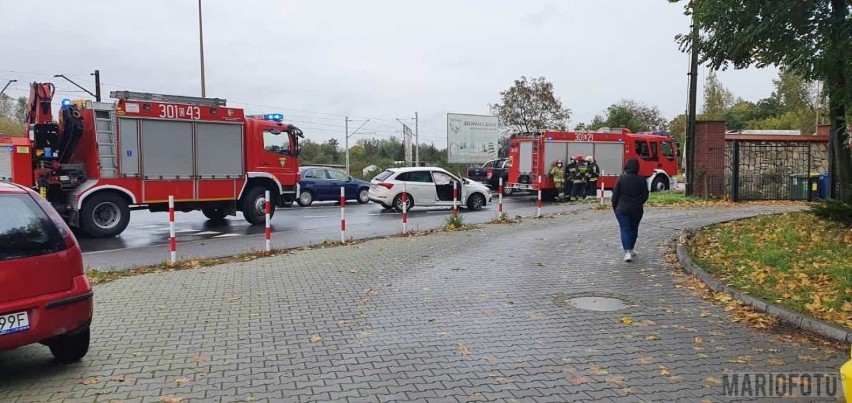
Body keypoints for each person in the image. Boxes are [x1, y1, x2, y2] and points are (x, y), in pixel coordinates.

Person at [611, 158, 649, 262]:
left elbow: (615, 195)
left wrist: (615, 207)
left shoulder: (621, 178)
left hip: (622, 208)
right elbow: (645, 195)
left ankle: (627, 252)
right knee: (634, 228)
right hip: (636, 208)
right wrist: (639, 202)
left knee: (625, 229)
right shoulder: (641, 180)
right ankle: (631, 248)